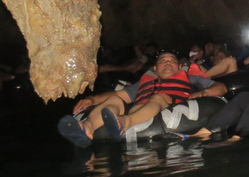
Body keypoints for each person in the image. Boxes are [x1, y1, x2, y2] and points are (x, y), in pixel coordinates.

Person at [58, 51, 227, 147]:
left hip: (167, 103)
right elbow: (118, 95)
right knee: (115, 102)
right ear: (155, 68)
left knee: (158, 97)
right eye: (162, 61)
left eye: (172, 61)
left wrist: (204, 94)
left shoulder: (191, 78)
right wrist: (92, 99)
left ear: (179, 66)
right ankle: (86, 129)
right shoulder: (145, 82)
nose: (167, 63)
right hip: (141, 107)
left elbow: (221, 88)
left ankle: (124, 123)